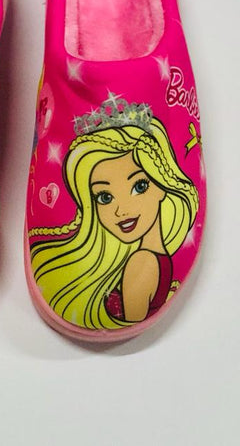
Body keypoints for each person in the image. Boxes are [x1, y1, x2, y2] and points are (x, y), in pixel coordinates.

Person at [30, 113, 198, 330]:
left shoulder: (140, 263)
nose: (121, 210)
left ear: (161, 183)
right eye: (104, 197)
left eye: (140, 186)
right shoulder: (155, 259)